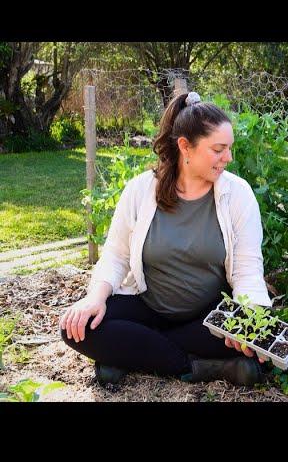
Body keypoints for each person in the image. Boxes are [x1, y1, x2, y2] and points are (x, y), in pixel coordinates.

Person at [60, 91, 273, 388]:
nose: (228, 157)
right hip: (148, 307)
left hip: (207, 316)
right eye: (218, 149)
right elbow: (116, 256)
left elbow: (248, 269)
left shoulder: (237, 194)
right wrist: (94, 298)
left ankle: (128, 356)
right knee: (76, 327)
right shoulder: (141, 190)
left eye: (229, 148)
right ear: (185, 147)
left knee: (262, 334)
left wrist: (250, 320)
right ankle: (201, 366)